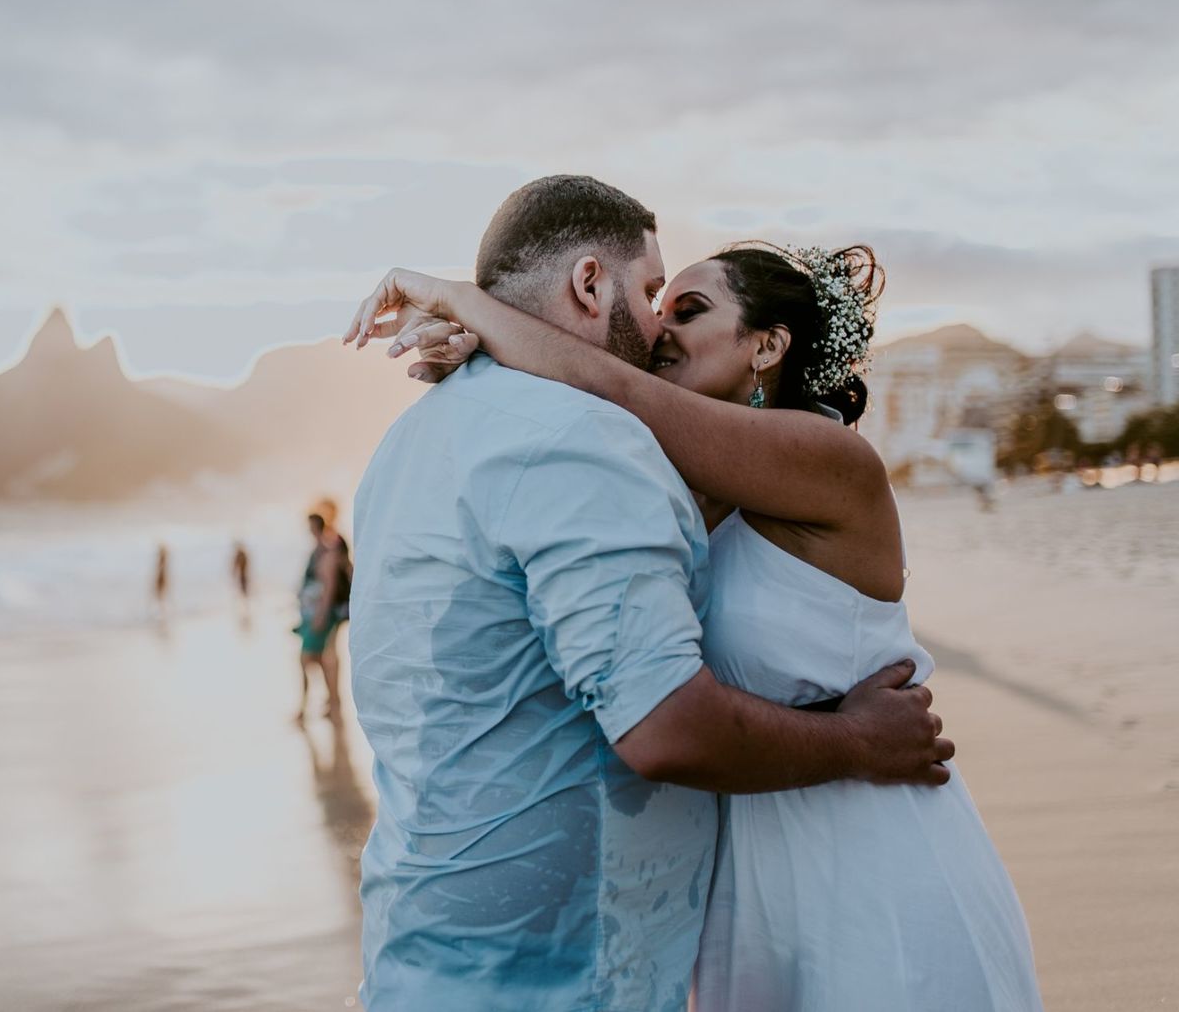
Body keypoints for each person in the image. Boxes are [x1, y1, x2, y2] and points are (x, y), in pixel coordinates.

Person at [349, 177, 1041, 1011]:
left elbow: (616, 387)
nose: (658, 330)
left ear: (766, 345)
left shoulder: (827, 461)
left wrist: (470, 304)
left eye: (686, 309)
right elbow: (597, 398)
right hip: (741, 886)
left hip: (862, 847)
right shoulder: (665, 475)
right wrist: (488, 345)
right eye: (654, 299)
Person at [294, 506, 351, 720]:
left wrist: (321, 615)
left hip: (320, 614)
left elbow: (328, 587)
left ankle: (309, 706)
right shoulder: (319, 550)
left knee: (308, 658)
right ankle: (331, 701)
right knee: (323, 658)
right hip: (312, 613)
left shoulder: (327, 551)